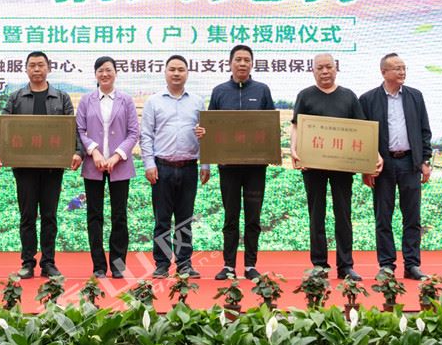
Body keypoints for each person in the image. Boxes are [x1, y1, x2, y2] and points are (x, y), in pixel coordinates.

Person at [0, 51, 83, 279]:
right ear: (26, 69)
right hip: (25, 167)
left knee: (49, 216)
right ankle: (28, 262)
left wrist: (78, 151)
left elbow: (72, 127)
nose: (37, 69)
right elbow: (2, 125)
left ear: (48, 68)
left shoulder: (61, 98)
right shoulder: (16, 97)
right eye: (32, 65)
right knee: (27, 215)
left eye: (41, 65)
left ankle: (49, 263)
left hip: (53, 167)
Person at [290, 53, 383, 281]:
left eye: (328, 67)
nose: (324, 72)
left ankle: (346, 266)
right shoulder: (305, 96)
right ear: (313, 71)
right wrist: (293, 148)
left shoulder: (348, 96)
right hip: (313, 167)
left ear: (335, 69)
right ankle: (319, 265)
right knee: (316, 215)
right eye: (320, 68)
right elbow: (297, 126)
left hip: (343, 166)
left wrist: (375, 154)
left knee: (343, 214)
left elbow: (362, 130)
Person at [359, 53, 433, 280]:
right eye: (397, 68)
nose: (402, 72)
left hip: (410, 162)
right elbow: (363, 135)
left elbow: (424, 130)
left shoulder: (415, 96)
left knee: (412, 217)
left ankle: (412, 264)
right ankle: (386, 265)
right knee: (383, 216)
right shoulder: (368, 99)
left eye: (404, 68)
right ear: (384, 72)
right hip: (383, 165)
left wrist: (425, 160)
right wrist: (366, 166)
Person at [207, 44, 276, 281]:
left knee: (253, 217)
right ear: (230, 63)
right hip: (228, 168)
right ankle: (228, 265)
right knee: (230, 217)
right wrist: (203, 133)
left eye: (247, 60)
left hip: (255, 168)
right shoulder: (219, 92)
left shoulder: (262, 90)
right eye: (238, 59)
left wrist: (271, 152)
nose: (242, 63)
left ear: (252, 64)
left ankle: (250, 265)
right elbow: (210, 126)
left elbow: (270, 125)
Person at [140, 55, 209, 278]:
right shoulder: (154, 101)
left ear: (187, 73)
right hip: (162, 167)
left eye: (181, 69)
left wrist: (205, 163)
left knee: (184, 219)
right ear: (165, 72)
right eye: (172, 69)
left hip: (189, 167)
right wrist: (149, 164)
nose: (176, 73)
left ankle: (184, 263)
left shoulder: (197, 101)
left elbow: (205, 134)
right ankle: (161, 264)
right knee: (161, 220)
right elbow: (146, 135)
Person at [75, 56, 140, 279]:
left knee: (119, 216)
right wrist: (94, 151)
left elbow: (133, 132)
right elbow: (80, 130)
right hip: (93, 165)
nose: (105, 74)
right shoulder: (86, 100)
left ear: (115, 73)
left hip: (119, 166)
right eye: (100, 70)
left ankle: (118, 265)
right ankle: (99, 266)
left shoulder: (126, 100)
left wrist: (116, 156)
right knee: (94, 215)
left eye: (109, 70)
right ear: (95, 74)